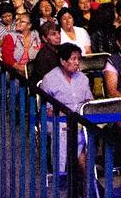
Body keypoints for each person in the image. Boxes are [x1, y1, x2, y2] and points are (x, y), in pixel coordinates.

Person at [40, 43, 93, 173]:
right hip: (57, 119)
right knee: (64, 131)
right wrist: (67, 117)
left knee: (91, 129)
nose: (77, 62)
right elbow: (46, 109)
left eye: (78, 59)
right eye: (73, 59)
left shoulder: (83, 78)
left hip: (80, 118)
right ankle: (62, 172)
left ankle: (84, 171)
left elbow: (89, 102)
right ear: (63, 61)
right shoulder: (49, 79)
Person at [29, 21, 62, 85]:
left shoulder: (62, 49)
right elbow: (47, 80)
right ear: (44, 38)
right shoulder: (43, 56)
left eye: (59, 33)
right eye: (53, 34)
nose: (58, 36)